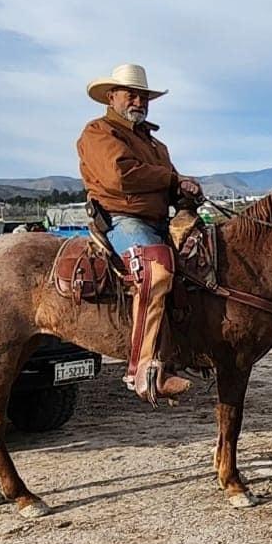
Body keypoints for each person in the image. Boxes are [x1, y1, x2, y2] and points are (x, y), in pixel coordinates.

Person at [77, 63, 201, 401]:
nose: (138, 101)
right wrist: (173, 179)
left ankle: (185, 353)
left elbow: (169, 183)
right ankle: (142, 369)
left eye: (143, 96)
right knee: (157, 271)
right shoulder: (99, 132)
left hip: (158, 220)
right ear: (111, 96)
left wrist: (186, 191)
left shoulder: (155, 145)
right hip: (121, 218)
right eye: (130, 94)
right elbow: (121, 176)